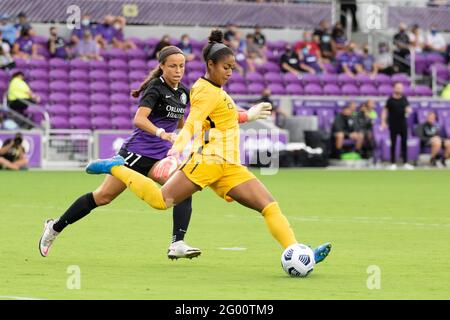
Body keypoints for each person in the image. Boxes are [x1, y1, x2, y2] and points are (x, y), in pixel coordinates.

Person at [83, 30, 332, 267]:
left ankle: (298, 252)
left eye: (233, 68)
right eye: (226, 68)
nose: (230, 73)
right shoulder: (204, 90)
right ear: (210, 65)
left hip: (230, 165)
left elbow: (223, 116)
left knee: (269, 206)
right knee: (161, 201)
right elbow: (192, 123)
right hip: (209, 160)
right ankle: (116, 168)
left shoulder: (217, 91)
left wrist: (249, 115)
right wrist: (175, 149)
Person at [38, 45, 273, 259]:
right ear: (162, 66)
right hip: (135, 153)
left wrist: (189, 140)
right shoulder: (155, 88)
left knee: (183, 188)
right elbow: (139, 119)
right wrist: (162, 133)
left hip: (160, 156)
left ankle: (177, 243)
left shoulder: (183, 92)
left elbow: (184, 123)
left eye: (181, 66)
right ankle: (55, 227)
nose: (178, 70)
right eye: (172, 66)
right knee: (103, 197)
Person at [381, 82, 414, 170]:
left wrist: (409, 110)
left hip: (403, 125)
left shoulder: (404, 99)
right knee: (393, 144)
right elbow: (384, 111)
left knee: (404, 144)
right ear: (394, 89)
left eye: (401, 88)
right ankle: (392, 163)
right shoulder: (390, 100)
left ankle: (405, 162)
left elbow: (408, 108)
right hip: (393, 125)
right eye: (398, 88)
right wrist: (383, 121)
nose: (399, 89)